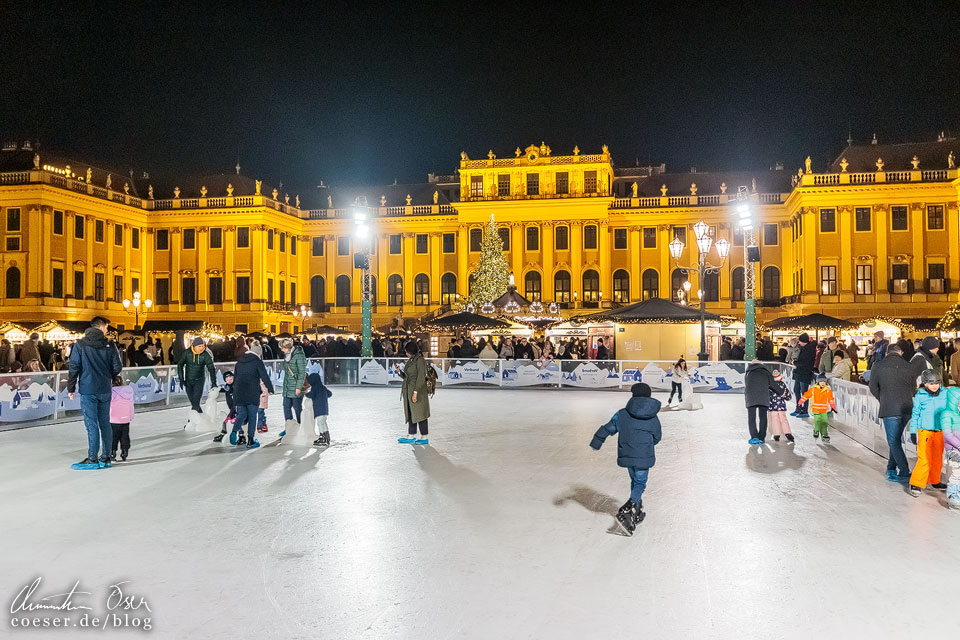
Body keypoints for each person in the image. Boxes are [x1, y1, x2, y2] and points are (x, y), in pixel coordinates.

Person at [589, 382, 662, 536]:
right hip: (644, 456)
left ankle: (637, 509)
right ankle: (628, 509)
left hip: (627, 455)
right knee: (640, 483)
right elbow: (657, 437)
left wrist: (597, 442)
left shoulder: (621, 414)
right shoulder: (653, 417)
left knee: (634, 480)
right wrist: (647, 445)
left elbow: (608, 428)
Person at [67, 316, 122, 469]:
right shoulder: (110, 345)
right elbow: (117, 367)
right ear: (100, 327)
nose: (107, 330)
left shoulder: (80, 345)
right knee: (105, 423)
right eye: (106, 327)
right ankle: (105, 458)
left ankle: (92, 459)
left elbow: (74, 367)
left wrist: (71, 388)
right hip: (104, 389)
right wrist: (107, 376)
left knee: (92, 424)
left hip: (88, 389)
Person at [868, 344, 916, 483]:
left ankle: (904, 471)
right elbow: (913, 388)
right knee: (895, 439)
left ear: (887, 352)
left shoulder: (878, 365)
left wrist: (883, 398)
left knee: (893, 441)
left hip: (889, 408)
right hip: (907, 408)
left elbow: (872, 387)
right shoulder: (909, 365)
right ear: (900, 352)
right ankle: (890, 467)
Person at [909, 368, 949, 498]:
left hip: (940, 431)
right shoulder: (920, 396)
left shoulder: (945, 394)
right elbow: (915, 415)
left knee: (937, 458)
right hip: (924, 431)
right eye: (931, 383)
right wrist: (913, 432)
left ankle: (934, 480)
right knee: (924, 458)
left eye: (937, 383)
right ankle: (916, 483)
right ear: (925, 383)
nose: (935, 386)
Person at [229, 345, 274, 449]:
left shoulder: (239, 362)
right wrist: (270, 388)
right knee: (252, 416)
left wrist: (234, 393)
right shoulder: (257, 361)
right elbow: (264, 376)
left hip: (239, 393)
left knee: (241, 414)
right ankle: (250, 440)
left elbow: (235, 378)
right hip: (252, 392)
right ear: (258, 353)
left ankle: (234, 431)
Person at [177, 337, 217, 426]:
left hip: (199, 380)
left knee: (196, 401)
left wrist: (213, 382)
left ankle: (191, 421)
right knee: (193, 402)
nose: (202, 348)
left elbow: (211, 368)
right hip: (188, 380)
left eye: (203, 346)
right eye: (200, 346)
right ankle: (202, 418)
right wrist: (181, 378)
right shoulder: (186, 353)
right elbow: (180, 365)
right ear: (194, 346)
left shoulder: (205, 355)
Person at [397, 340, 431, 445]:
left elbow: (421, 377)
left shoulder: (420, 360)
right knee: (411, 412)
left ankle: (424, 436)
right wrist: (399, 372)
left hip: (418, 391)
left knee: (420, 413)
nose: (406, 354)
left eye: (407, 352)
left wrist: (415, 392)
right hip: (409, 389)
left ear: (411, 351)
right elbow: (408, 376)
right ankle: (411, 434)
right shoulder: (411, 360)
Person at [744, 362, 779, 444]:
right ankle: (761, 437)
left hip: (751, 396)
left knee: (751, 418)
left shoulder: (748, 372)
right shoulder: (766, 372)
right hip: (763, 396)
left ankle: (754, 437)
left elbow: (747, 384)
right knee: (763, 417)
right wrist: (782, 392)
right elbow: (772, 384)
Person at [938, 386, 960, 508]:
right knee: (956, 473)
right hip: (953, 450)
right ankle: (952, 496)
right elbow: (947, 435)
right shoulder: (946, 414)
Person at [799, 374, 837, 443]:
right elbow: (806, 395)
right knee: (817, 421)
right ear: (818, 382)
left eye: (824, 381)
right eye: (821, 381)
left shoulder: (828, 390)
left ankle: (824, 435)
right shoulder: (813, 389)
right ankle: (816, 431)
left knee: (824, 422)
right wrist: (801, 401)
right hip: (816, 409)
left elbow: (831, 399)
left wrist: (833, 406)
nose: (823, 383)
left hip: (824, 410)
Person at [280, 338, 307, 432]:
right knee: (286, 406)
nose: (281, 350)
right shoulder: (287, 355)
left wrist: (298, 387)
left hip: (296, 386)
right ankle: (289, 426)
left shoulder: (299, 355)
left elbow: (302, 372)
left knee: (297, 407)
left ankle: (301, 426)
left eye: (282, 348)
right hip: (288, 386)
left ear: (287, 347)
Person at [109, 375, 135, 462]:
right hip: (125, 419)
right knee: (125, 436)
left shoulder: (111, 392)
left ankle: (112, 452)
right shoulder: (128, 392)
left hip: (113, 419)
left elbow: (107, 406)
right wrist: (130, 416)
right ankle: (125, 451)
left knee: (113, 437)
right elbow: (131, 405)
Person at [305, 371, 333, 446]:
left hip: (319, 409)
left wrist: (305, 394)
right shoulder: (323, 387)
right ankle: (327, 437)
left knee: (320, 423)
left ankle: (322, 437)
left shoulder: (315, 388)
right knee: (324, 422)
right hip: (325, 409)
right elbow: (330, 394)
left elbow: (311, 395)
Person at [791, 333, 816, 417]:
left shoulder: (809, 349)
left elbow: (804, 362)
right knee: (796, 390)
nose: (799, 343)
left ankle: (804, 410)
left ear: (804, 341)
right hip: (799, 372)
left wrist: (795, 362)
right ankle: (798, 408)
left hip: (805, 373)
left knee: (804, 392)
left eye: (800, 341)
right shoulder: (803, 348)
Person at [767, 369, 794, 442]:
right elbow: (788, 396)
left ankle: (776, 435)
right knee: (784, 420)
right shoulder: (782, 384)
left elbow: (767, 396)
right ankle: (788, 433)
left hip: (772, 407)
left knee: (774, 420)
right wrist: (787, 397)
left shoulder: (770, 386)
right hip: (781, 406)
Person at [213, 371, 237, 442]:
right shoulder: (227, 387)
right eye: (227, 380)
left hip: (235, 410)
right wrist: (218, 389)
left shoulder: (235, 387)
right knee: (226, 422)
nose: (229, 381)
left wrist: (232, 413)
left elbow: (235, 403)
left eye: (231, 379)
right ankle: (223, 434)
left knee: (226, 422)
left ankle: (223, 435)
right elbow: (226, 390)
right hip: (232, 409)